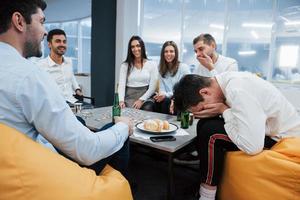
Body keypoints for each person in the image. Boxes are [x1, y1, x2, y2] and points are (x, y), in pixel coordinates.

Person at [0, 0, 133, 176]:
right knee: (115, 128)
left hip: (16, 162)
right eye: (41, 21)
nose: (45, 30)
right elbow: (87, 150)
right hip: (44, 169)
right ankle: (112, 187)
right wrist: (123, 127)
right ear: (19, 21)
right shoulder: (29, 75)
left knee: (81, 122)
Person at [173, 72, 300, 200]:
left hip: (282, 138)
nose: (204, 111)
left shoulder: (238, 90)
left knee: (211, 132)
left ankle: (207, 196)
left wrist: (224, 110)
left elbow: (253, 146)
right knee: (204, 123)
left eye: (202, 109)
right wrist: (223, 111)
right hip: (267, 129)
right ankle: (204, 181)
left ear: (205, 92)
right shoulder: (225, 82)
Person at [36, 29, 91, 108]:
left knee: (94, 110)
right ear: (49, 44)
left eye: (64, 41)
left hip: (72, 101)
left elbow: (71, 77)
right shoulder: (40, 66)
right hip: (56, 106)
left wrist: (77, 89)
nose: (62, 44)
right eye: (58, 41)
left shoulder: (69, 62)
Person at [118, 35, 158, 111]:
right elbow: (121, 85)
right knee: (124, 111)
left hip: (146, 96)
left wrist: (141, 100)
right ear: (130, 49)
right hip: (129, 96)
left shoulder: (152, 64)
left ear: (142, 47)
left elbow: (153, 87)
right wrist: (121, 101)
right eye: (132, 47)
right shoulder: (125, 65)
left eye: (138, 46)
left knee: (147, 108)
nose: (135, 49)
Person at [153, 41, 190, 114]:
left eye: (171, 51)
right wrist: (161, 95)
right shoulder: (160, 69)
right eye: (166, 52)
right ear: (163, 54)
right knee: (158, 102)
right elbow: (162, 88)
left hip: (180, 97)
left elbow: (183, 89)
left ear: (175, 53)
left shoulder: (183, 67)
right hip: (166, 98)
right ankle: (162, 124)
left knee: (168, 102)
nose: (168, 54)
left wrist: (166, 95)